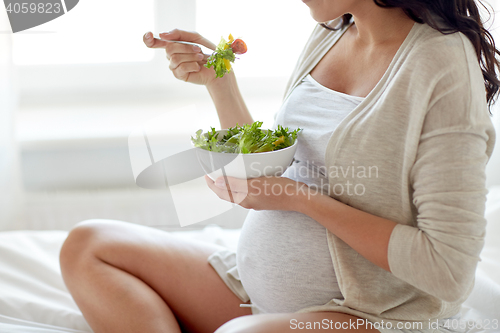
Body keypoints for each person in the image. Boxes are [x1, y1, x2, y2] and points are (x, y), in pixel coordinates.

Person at [59, 0, 499, 332]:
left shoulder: (441, 62)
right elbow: (282, 167)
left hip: (368, 315)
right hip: (252, 288)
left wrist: (298, 200)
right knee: (88, 245)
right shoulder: (333, 30)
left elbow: (449, 271)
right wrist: (220, 84)